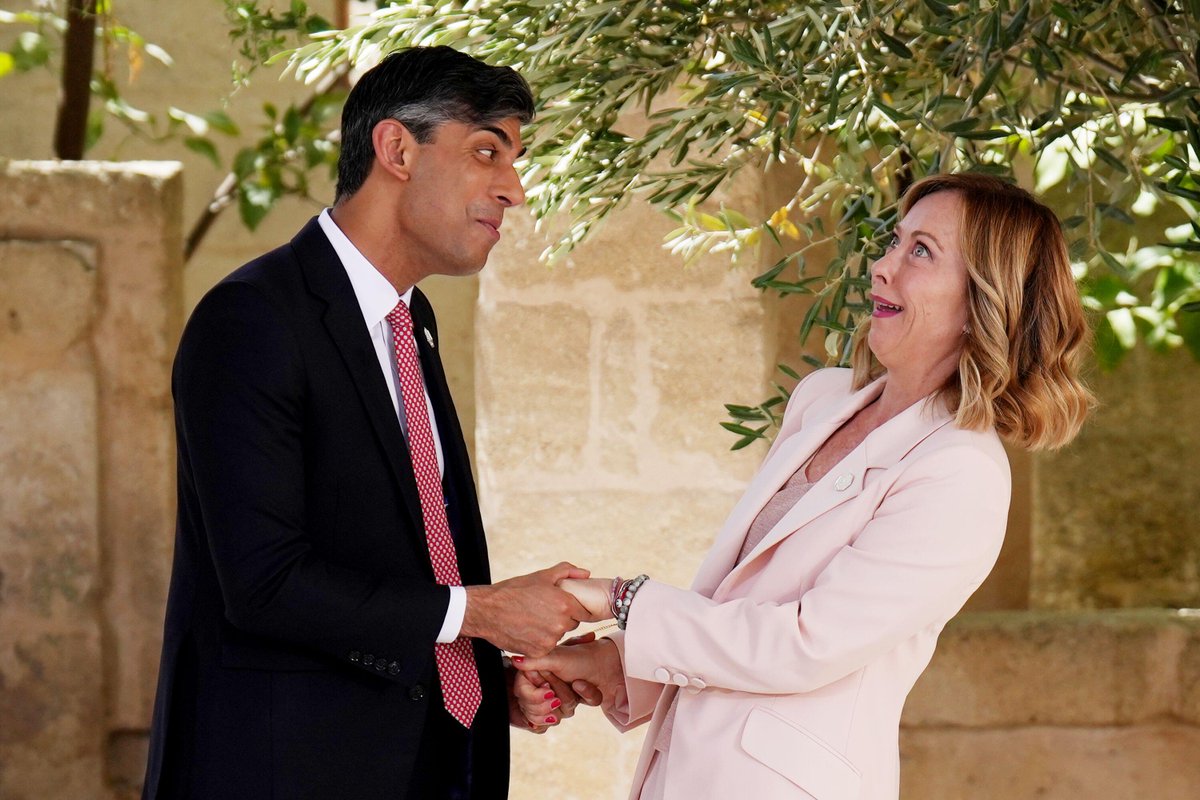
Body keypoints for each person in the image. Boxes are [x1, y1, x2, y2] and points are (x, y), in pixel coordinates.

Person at [513, 173, 1093, 799]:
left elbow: (804, 644)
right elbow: (741, 606)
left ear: (984, 301)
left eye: (921, 252)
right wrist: (617, 664)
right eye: (894, 242)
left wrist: (620, 598)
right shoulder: (823, 398)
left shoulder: (961, 473)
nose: (882, 268)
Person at [142, 46, 595, 800]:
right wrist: (482, 612)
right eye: (487, 152)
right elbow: (265, 583)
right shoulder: (251, 318)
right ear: (397, 150)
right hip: (281, 773)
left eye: (515, 162)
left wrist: (481, 670)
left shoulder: (410, 322)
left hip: (427, 759)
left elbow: (399, 555)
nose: (513, 190)